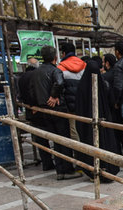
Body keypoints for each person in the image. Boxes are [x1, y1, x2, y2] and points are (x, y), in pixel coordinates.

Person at [28, 45, 81, 180]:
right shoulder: (55, 71)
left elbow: (32, 91)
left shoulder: (35, 73)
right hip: (58, 109)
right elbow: (60, 83)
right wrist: (53, 95)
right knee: (63, 140)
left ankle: (60, 170)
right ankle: (67, 169)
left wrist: (37, 104)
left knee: (55, 141)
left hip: (44, 110)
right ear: (55, 57)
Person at [74, 60, 120, 182]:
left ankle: (94, 170)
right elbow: (111, 101)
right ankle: (108, 168)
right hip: (104, 120)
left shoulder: (82, 86)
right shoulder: (103, 84)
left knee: (91, 143)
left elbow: (78, 106)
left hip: (88, 124)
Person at [102, 53, 123, 159]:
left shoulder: (106, 76)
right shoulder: (120, 73)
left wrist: (115, 101)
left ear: (107, 63)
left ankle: (120, 156)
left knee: (116, 133)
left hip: (113, 108)